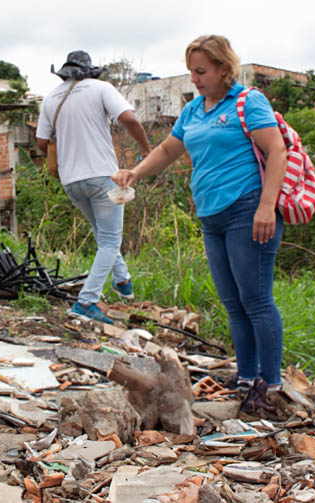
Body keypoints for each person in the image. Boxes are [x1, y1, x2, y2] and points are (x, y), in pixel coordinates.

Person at [112, 35, 287, 392]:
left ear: (224, 68)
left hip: (247, 209)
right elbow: (166, 150)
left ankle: (270, 385)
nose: (194, 78)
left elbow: (277, 151)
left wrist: (267, 206)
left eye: (202, 71)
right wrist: (135, 172)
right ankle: (247, 377)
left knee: (256, 299)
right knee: (233, 303)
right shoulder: (193, 110)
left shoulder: (246, 102)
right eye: (191, 71)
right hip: (212, 217)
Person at [36, 50, 151, 324]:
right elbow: (130, 119)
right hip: (102, 176)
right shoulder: (101, 88)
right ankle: (87, 301)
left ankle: (122, 280)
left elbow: (42, 142)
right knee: (111, 240)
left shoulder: (51, 98)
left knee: (103, 235)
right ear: (90, 71)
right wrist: (147, 149)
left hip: (71, 181)